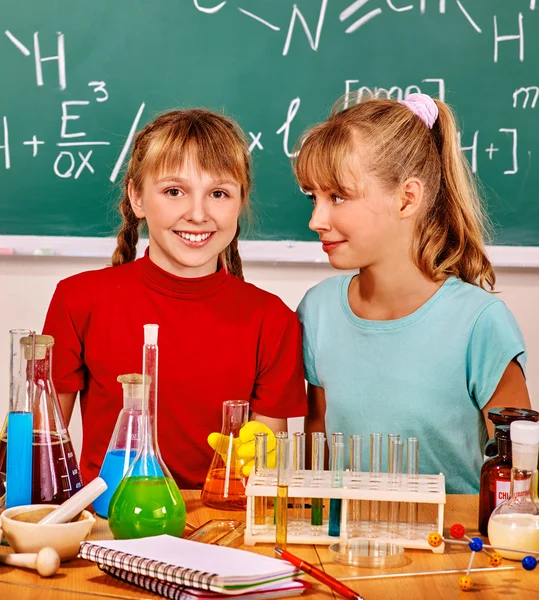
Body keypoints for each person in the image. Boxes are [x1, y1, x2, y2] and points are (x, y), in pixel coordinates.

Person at [43, 109, 307, 489]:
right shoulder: (78, 300)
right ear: (137, 197)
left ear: (240, 201)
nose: (197, 214)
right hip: (108, 523)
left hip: (218, 520)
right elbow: (42, 455)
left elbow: (263, 474)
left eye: (218, 193)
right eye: (173, 191)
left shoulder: (272, 320)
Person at [294, 94, 531, 493]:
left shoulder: (480, 323)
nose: (316, 219)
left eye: (337, 197)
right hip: (345, 548)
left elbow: (519, 475)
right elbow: (318, 452)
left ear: (407, 198)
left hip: (452, 548)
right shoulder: (317, 311)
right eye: (312, 198)